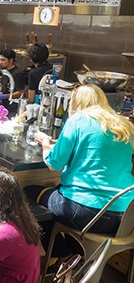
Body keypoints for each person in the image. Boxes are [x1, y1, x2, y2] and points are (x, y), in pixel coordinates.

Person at [30, 84, 134, 235]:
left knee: (28, 195)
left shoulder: (78, 120)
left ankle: (61, 253)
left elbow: (54, 163)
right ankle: (76, 253)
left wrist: (45, 143)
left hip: (87, 211)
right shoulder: (125, 125)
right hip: (126, 215)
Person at [0, 49, 26, 115]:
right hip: (4, 105)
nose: (0, 62)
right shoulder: (5, 71)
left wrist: (4, 96)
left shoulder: (17, 73)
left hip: (13, 107)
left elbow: (21, 92)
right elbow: (3, 85)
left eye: (3, 60)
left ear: (11, 60)